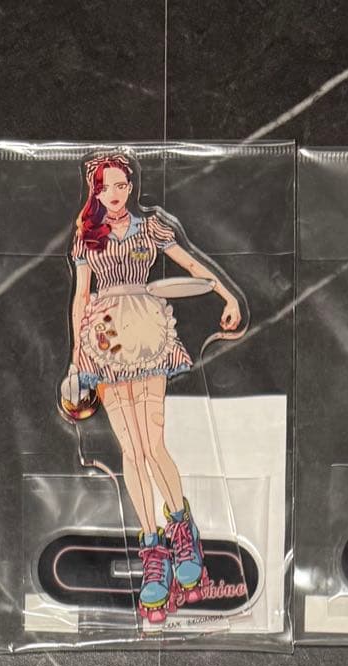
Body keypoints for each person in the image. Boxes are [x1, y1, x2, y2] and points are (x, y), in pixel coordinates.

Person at [64, 152, 243, 623]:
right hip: (105, 337)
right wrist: (77, 357)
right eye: (106, 187)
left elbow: (191, 263)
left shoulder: (151, 227)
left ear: (131, 186)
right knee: (132, 449)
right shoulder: (87, 236)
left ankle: (181, 528)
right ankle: (152, 546)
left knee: (153, 443)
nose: (115, 194)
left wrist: (226, 295)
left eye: (121, 185)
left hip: (147, 331)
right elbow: (80, 296)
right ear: (96, 192)